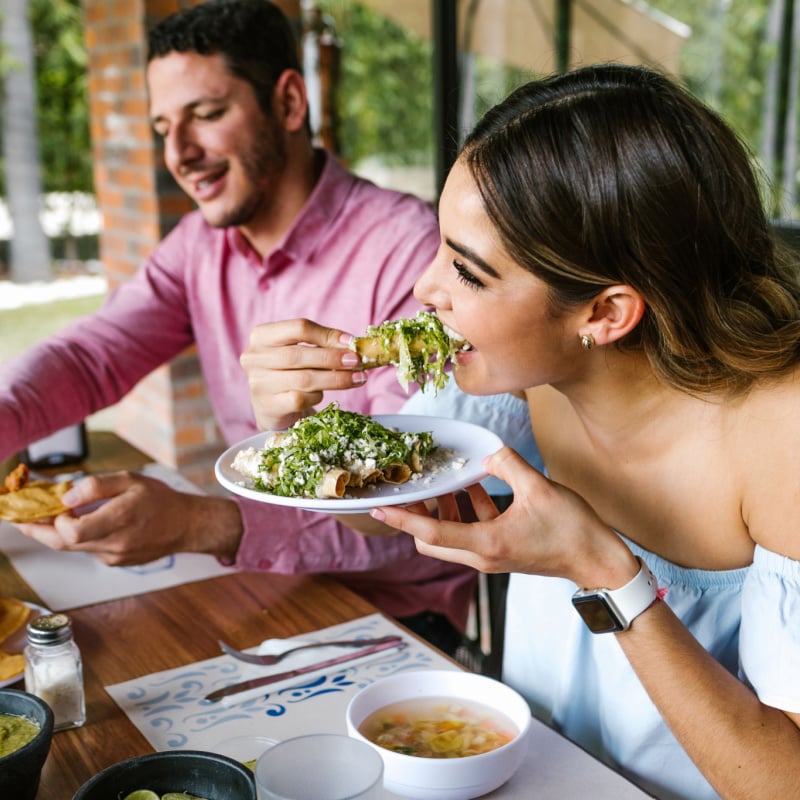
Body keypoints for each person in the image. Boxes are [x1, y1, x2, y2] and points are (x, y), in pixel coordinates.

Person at [351, 65, 800, 798]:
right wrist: (296, 420)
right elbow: (380, 518)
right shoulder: (523, 378)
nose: (423, 290)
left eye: (467, 272)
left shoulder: (783, 436)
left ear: (605, 314)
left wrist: (605, 574)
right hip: (528, 770)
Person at [0, 0, 475, 654]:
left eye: (207, 114)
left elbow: (413, 516)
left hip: (400, 623)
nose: (179, 154)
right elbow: (92, 357)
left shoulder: (407, 253)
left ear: (287, 103)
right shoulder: (198, 246)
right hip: (264, 586)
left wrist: (203, 524)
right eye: (164, 126)